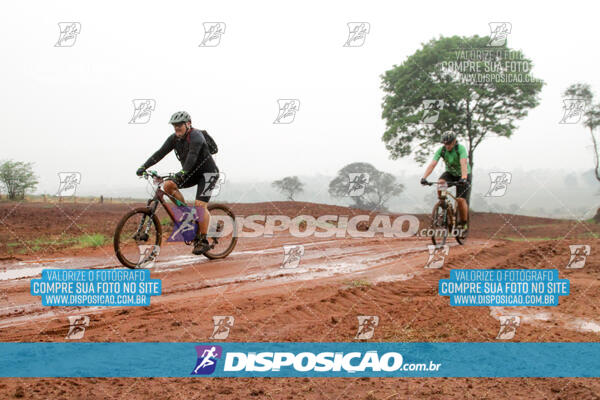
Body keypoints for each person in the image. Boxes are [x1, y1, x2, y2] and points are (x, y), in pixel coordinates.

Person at [136, 111, 219, 255]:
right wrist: (144, 166)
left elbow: (192, 157)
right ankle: (188, 216)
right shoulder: (174, 139)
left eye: (179, 125)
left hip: (208, 174)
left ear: (188, 124)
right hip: (191, 173)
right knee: (168, 185)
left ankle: (202, 241)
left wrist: (182, 172)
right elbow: (159, 153)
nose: (176, 128)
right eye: (174, 125)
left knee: (200, 206)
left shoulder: (196, 136)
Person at [420, 131, 472, 229]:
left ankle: (463, 223)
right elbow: (433, 164)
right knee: (440, 183)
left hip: (464, 174)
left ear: (454, 141)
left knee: (460, 200)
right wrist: (424, 178)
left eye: (449, 143)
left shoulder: (460, 149)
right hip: (451, 173)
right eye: (445, 143)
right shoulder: (442, 150)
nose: (447, 146)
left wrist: (464, 178)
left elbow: (463, 163)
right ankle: (444, 206)